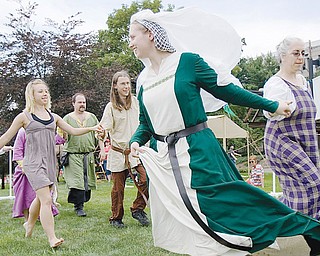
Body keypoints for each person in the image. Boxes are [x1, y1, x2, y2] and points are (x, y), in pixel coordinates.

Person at [128, 8, 320, 256]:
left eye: (133, 36)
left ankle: (311, 230)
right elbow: (145, 123)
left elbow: (227, 91)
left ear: (150, 34)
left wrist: (271, 104)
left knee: (233, 205)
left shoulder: (187, 62)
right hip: (167, 159)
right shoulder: (143, 80)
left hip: (199, 153)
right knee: (192, 218)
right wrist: (135, 142)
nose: (130, 42)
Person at [0, 79, 100, 248]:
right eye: (40, 91)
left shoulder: (53, 117)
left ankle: (29, 223)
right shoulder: (24, 117)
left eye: (46, 91)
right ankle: (52, 238)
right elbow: (6, 137)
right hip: (33, 164)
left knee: (40, 199)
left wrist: (92, 128)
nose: (44, 94)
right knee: (47, 200)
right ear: (32, 95)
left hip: (50, 164)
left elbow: (73, 131)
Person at [263, 36, 320, 221]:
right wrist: (275, 109)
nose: (301, 57)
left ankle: (273, 218)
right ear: (282, 56)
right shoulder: (276, 84)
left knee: (307, 191)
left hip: (305, 141)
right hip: (282, 142)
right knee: (313, 185)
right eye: (296, 53)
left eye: (303, 53)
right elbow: (268, 110)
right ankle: (304, 232)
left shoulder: (303, 82)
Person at [99, 70, 149, 228]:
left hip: (135, 151)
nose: (126, 86)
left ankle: (137, 209)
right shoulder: (111, 107)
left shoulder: (137, 102)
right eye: (123, 83)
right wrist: (101, 134)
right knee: (118, 188)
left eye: (128, 83)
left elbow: (145, 122)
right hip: (118, 153)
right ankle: (116, 218)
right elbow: (104, 128)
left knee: (147, 180)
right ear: (115, 86)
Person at [61, 93, 104, 217]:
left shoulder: (92, 118)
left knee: (87, 182)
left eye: (84, 102)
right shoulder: (67, 119)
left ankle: (80, 201)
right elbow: (62, 137)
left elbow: (99, 135)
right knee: (77, 181)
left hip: (88, 155)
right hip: (74, 155)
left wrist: (102, 150)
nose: (82, 104)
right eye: (79, 102)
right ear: (73, 103)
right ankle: (78, 207)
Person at [12, 127, 59, 222]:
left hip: (42, 168)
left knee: (42, 196)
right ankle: (27, 219)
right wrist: (23, 166)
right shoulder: (22, 132)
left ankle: (40, 217)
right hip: (25, 170)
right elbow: (17, 151)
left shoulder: (45, 130)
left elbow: (54, 142)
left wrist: (62, 134)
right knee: (24, 196)